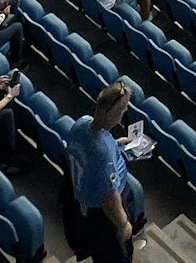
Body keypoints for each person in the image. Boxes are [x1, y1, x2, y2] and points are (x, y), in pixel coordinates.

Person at [64, 82, 138, 263]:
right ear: (111, 113)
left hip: (84, 205)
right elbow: (109, 199)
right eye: (122, 110)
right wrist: (123, 224)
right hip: (104, 217)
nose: (124, 113)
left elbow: (89, 149)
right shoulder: (102, 154)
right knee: (115, 256)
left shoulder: (81, 123)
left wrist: (115, 143)